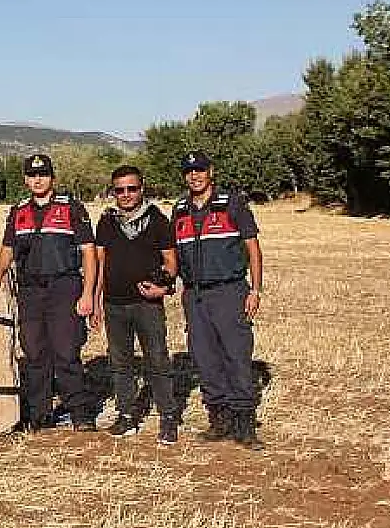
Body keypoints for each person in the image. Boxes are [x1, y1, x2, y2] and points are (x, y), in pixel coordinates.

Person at [0, 154, 99, 432]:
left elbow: (88, 253)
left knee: (66, 351)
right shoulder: (18, 211)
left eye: (44, 174)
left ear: (53, 178)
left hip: (64, 287)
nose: (38, 180)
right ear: (26, 179)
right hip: (31, 290)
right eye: (33, 175)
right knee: (34, 353)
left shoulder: (72, 208)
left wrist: (87, 294)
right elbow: (8, 249)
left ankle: (80, 412)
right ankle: (40, 413)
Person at [171, 151, 264, 449]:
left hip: (229, 290)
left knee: (236, 356)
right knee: (205, 358)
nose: (194, 175)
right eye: (189, 171)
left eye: (199, 169)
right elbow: (172, 256)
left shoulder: (232, 204)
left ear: (211, 171)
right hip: (195, 295)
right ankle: (219, 419)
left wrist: (255, 290)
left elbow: (253, 248)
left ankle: (244, 423)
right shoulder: (180, 210)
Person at [90, 165, 179, 445]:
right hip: (114, 305)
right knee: (120, 363)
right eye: (119, 190)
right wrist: (95, 301)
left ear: (142, 188)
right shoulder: (106, 223)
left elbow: (172, 263)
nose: (126, 195)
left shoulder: (157, 221)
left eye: (132, 188)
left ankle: (168, 417)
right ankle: (126, 415)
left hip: (146, 306)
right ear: (113, 192)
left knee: (157, 360)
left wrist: (162, 287)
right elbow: (100, 264)